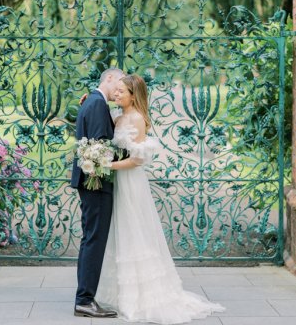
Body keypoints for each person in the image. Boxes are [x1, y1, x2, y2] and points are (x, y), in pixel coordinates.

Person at [95, 74, 225, 324]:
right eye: (117, 90)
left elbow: (137, 160)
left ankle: (141, 298)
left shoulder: (137, 119)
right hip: (119, 182)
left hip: (131, 182)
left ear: (134, 95)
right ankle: (121, 294)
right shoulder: (119, 117)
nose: (117, 94)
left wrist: (107, 165)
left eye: (122, 91)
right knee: (119, 232)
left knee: (135, 232)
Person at [71, 67, 124, 318]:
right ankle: (84, 299)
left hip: (93, 182)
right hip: (96, 184)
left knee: (90, 239)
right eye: (120, 83)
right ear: (110, 77)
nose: (120, 90)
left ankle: (85, 296)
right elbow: (100, 146)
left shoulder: (92, 101)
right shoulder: (96, 105)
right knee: (94, 240)